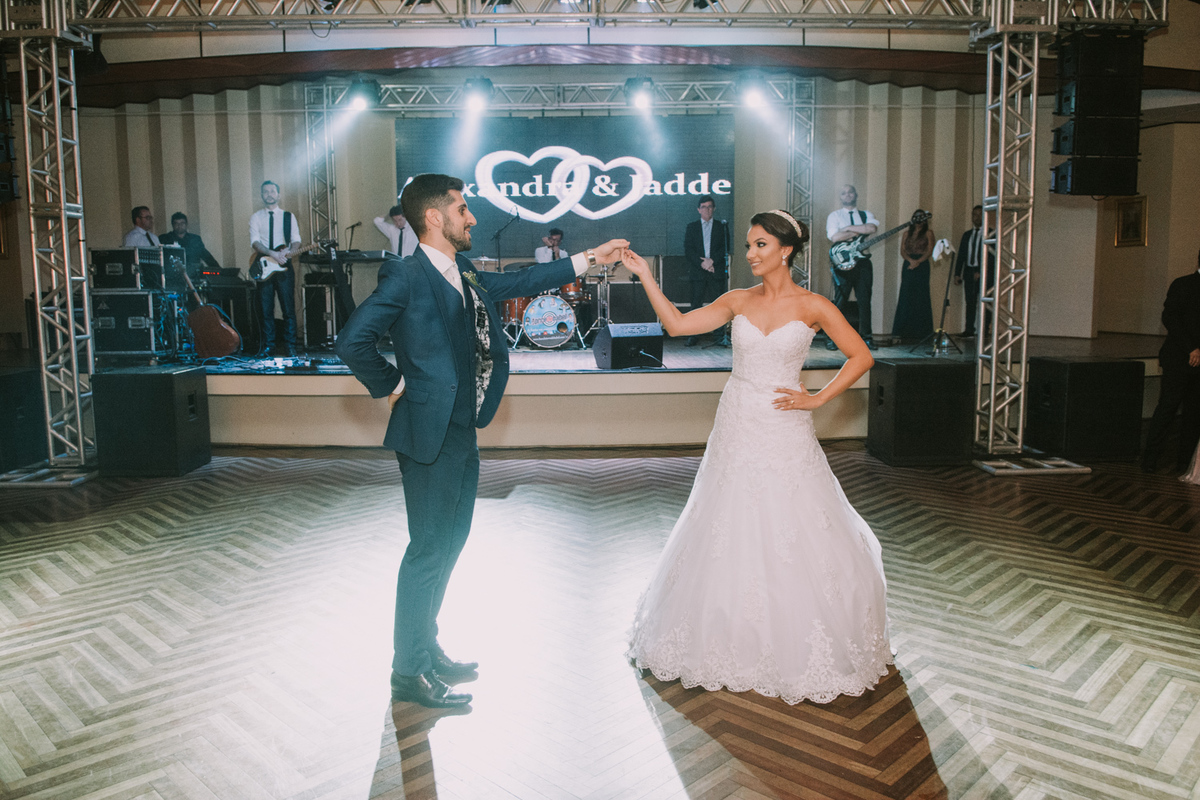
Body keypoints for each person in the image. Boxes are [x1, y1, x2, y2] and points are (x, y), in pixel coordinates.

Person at [335, 173, 628, 709]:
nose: (471, 218)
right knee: (427, 552)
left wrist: (590, 257)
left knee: (449, 545)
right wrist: (396, 388)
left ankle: (425, 648)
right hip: (427, 436)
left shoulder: (463, 270)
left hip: (462, 431)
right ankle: (407, 672)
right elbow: (352, 340)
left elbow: (522, 281)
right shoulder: (404, 274)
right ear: (434, 217)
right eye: (462, 209)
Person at [622, 209, 893, 705]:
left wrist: (816, 399)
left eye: (760, 244)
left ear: (786, 250)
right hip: (737, 419)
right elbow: (677, 326)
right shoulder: (737, 300)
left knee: (793, 517)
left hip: (785, 423)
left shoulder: (813, 305)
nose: (750, 253)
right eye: (748, 244)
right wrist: (644, 275)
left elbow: (862, 357)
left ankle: (797, 638)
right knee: (726, 516)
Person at [1142, 250, 1200, 474]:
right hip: (1178, 358)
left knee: (1194, 415)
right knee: (1167, 408)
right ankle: (1150, 460)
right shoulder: (1183, 284)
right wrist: (1191, 348)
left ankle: (1185, 463)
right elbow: (1170, 318)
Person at [249, 180, 302, 357]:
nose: (269, 194)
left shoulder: (288, 216)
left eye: (272, 191)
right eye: (266, 191)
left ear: (279, 195)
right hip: (264, 266)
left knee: (288, 308)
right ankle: (268, 347)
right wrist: (272, 253)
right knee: (265, 309)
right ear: (261, 195)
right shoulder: (256, 217)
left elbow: (296, 240)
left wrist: (289, 251)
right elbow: (255, 242)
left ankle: (290, 346)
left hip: (283, 266)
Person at [825, 185, 879, 350]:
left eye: (850, 192)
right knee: (840, 302)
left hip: (863, 263)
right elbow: (834, 237)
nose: (847, 195)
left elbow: (872, 228)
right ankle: (832, 338)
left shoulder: (866, 214)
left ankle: (866, 338)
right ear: (840, 197)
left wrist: (847, 229)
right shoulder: (835, 215)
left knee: (864, 301)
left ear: (856, 194)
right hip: (842, 263)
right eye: (843, 193)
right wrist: (860, 231)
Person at [682, 195, 729, 346]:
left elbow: (725, 247)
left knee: (718, 306)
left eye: (709, 207)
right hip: (698, 271)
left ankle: (719, 336)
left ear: (714, 209)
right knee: (696, 305)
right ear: (698, 209)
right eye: (703, 207)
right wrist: (702, 264)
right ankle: (693, 335)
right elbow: (688, 250)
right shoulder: (692, 227)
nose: (707, 210)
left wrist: (712, 261)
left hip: (716, 271)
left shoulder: (721, 227)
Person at [891, 209, 935, 343]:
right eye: (916, 217)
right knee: (906, 295)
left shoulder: (928, 233)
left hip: (922, 265)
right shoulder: (906, 233)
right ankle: (902, 331)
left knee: (921, 295)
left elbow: (930, 250)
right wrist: (910, 261)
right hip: (908, 264)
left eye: (921, 217)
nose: (919, 220)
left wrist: (918, 261)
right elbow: (902, 250)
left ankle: (922, 332)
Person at [954, 205, 984, 337]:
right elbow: (961, 255)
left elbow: (990, 257)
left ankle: (984, 330)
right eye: (975, 215)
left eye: (980, 214)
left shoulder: (990, 234)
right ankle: (969, 329)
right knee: (970, 301)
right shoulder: (967, 235)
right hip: (968, 271)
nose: (977, 217)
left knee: (984, 302)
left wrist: (981, 271)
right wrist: (957, 273)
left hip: (982, 272)